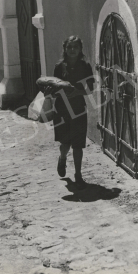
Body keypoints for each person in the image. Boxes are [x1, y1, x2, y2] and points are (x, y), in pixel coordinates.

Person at [45, 35, 95, 189]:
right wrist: (49, 92)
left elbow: (90, 88)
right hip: (62, 110)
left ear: (80, 49)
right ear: (65, 49)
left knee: (78, 144)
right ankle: (62, 158)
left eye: (75, 47)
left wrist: (77, 92)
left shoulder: (85, 66)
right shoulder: (59, 67)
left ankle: (78, 175)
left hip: (78, 109)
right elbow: (54, 89)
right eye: (69, 47)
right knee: (65, 143)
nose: (72, 50)